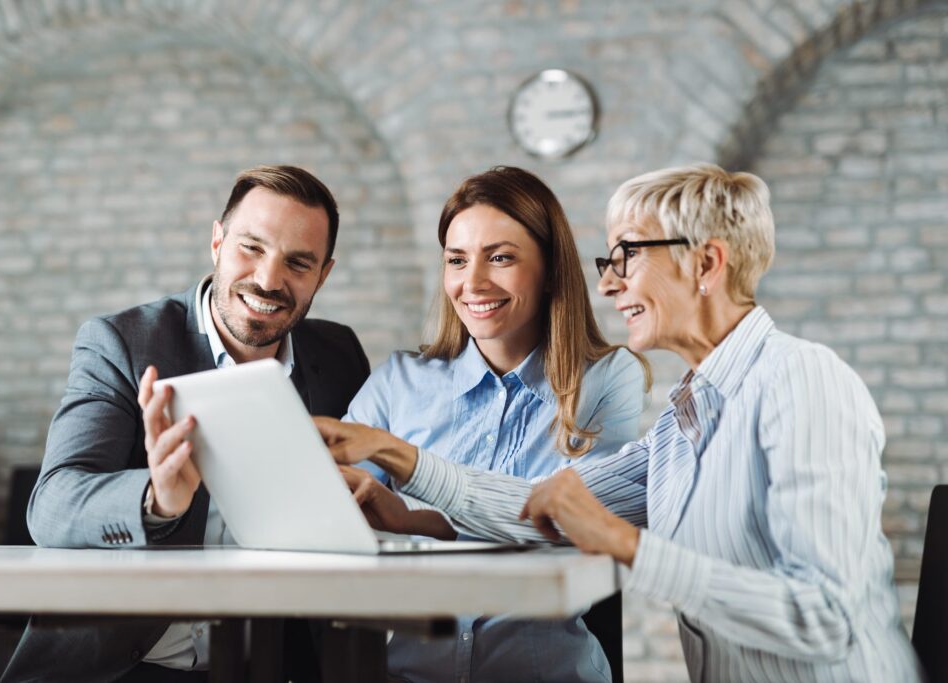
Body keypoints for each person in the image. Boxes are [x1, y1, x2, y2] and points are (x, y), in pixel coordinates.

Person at [317, 164, 921, 682]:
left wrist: (629, 545)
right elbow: (543, 507)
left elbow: (826, 617)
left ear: (706, 263)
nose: (606, 283)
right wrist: (404, 465)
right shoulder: (690, 415)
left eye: (627, 257)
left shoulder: (801, 379)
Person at [1, 165, 370, 683]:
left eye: (298, 262)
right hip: (126, 665)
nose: (268, 279)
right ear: (217, 242)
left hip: (275, 666)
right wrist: (156, 500)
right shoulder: (121, 343)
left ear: (323, 274)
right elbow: (54, 504)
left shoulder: (339, 355)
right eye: (251, 247)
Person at [330, 166, 648, 683]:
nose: (472, 283)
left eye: (500, 258)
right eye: (457, 260)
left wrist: (414, 518)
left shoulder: (607, 379)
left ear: (548, 269)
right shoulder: (400, 382)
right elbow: (328, 509)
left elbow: (575, 520)